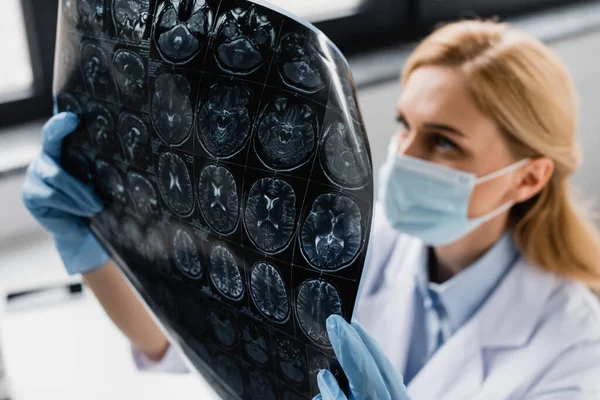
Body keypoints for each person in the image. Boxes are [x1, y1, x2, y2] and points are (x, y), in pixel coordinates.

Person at [22, 20, 600, 399]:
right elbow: (178, 344)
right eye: (405, 126)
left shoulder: (576, 349)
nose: (404, 155)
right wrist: (92, 246)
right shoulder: (353, 244)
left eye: (444, 142)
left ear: (528, 178)